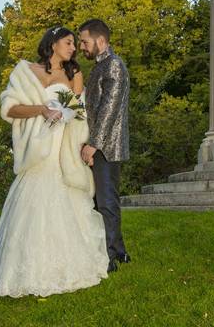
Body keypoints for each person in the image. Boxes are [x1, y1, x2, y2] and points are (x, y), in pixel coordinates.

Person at [0, 26, 109, 297]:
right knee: (31, 203)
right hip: (37, 148)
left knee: (65, 201)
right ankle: (24, 270)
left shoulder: (74, 73)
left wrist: (77, 137)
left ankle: (66, 266)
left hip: (62, 147)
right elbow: (10, 108)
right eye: (68, 42)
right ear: (53, 43)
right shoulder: (25, 72)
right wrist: (41, 110)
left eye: (75, 44)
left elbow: (79, 111)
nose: (74, 48)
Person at [78, 18, 131, 273]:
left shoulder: (114, 65)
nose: (81, 47)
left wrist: (93, 145)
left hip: (107, 148)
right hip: (100, 146)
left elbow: (109, 109)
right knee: (104, 200)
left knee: (107, 202)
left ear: (100, 41)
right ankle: (119, 252)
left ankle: (109, 258)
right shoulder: (100, 67)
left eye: (84, 41)